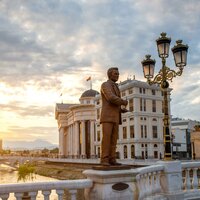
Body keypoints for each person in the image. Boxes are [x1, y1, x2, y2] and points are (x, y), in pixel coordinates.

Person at [100, 67, 128, 166]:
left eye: (118, 74)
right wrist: (123, 102)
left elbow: (113, 104)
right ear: (110, 75)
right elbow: (111, 98)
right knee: (106, 139)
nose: (117, 75)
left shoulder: (116, 87)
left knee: (113, 140)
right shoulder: (105, 85)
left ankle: (112, 159)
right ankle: (104, 159)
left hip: (115, 117)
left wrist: (121, 110)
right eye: (115, 74)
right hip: (107, 117)